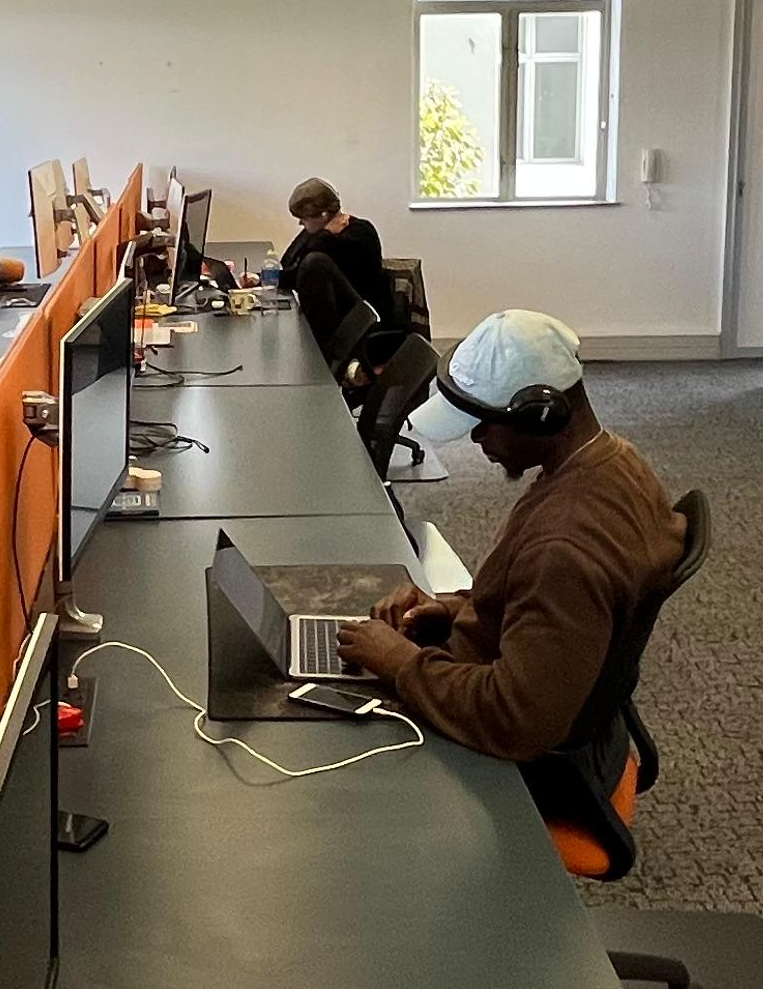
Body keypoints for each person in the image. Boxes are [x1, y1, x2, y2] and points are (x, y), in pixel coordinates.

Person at [336, 311, 683, 766]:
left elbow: (516, 720)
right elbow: (541, 603)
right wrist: (452, 609)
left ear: (542, 416)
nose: (476, 438)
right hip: (513, 682)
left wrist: (399, 663)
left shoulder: (563, 549)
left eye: (484, 424)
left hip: (500, 751)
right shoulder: (615, 462)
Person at [279, 177, 398, 351]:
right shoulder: (319, 235)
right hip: (336, 318)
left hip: (361, 321)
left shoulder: (360, 233)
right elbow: (289, 261)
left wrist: (323, 235)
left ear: (324, 215)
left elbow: (310, 265)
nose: (300, 223)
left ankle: (327, 355)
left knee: (315, 262)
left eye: (304, 218)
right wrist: (260, 279)